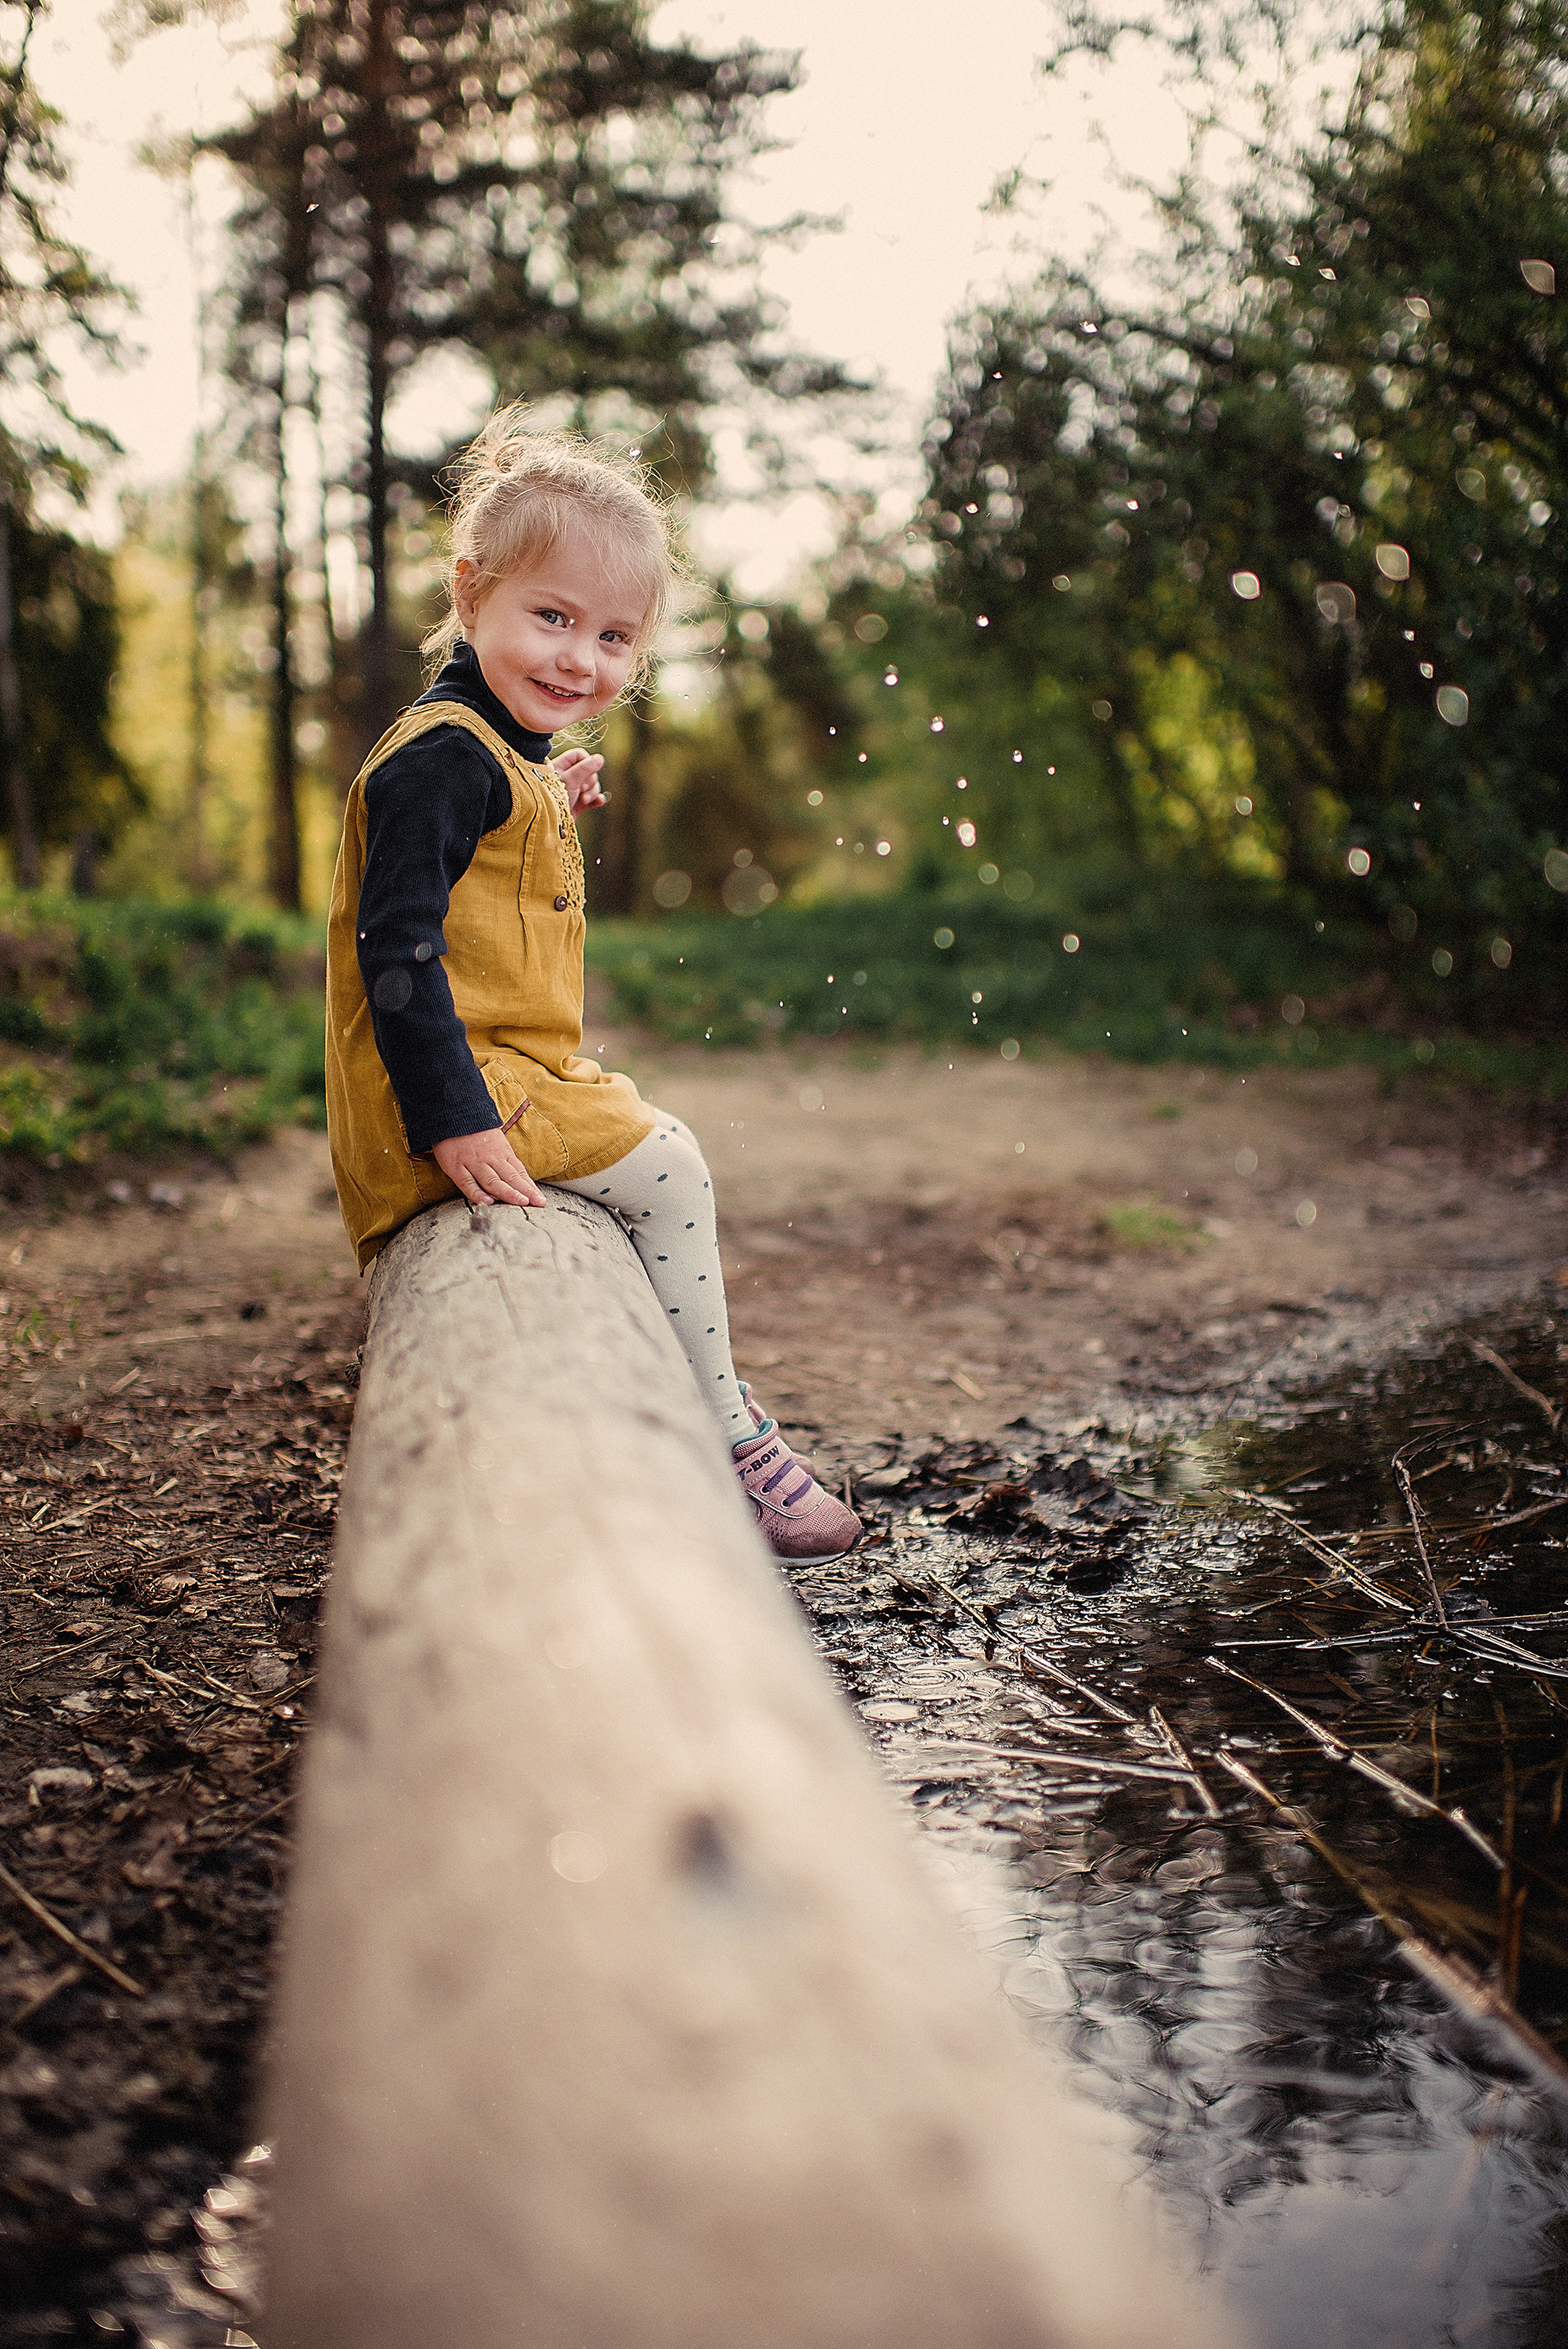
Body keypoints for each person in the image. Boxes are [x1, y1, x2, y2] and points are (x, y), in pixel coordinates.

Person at [324, 405, 860, 1564]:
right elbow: (398, 948)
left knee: (649, 1145)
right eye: (552, 617)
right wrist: (452, 1120)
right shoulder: (438, 762)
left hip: (496, 1068)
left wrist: (544, 796)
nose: (581, 659)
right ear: (470, 598)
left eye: (615, 638)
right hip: (448, 1091)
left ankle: (695, 1414)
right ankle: (731, 1437)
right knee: (669, 1164)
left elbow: (477, 871)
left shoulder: (481, 752)